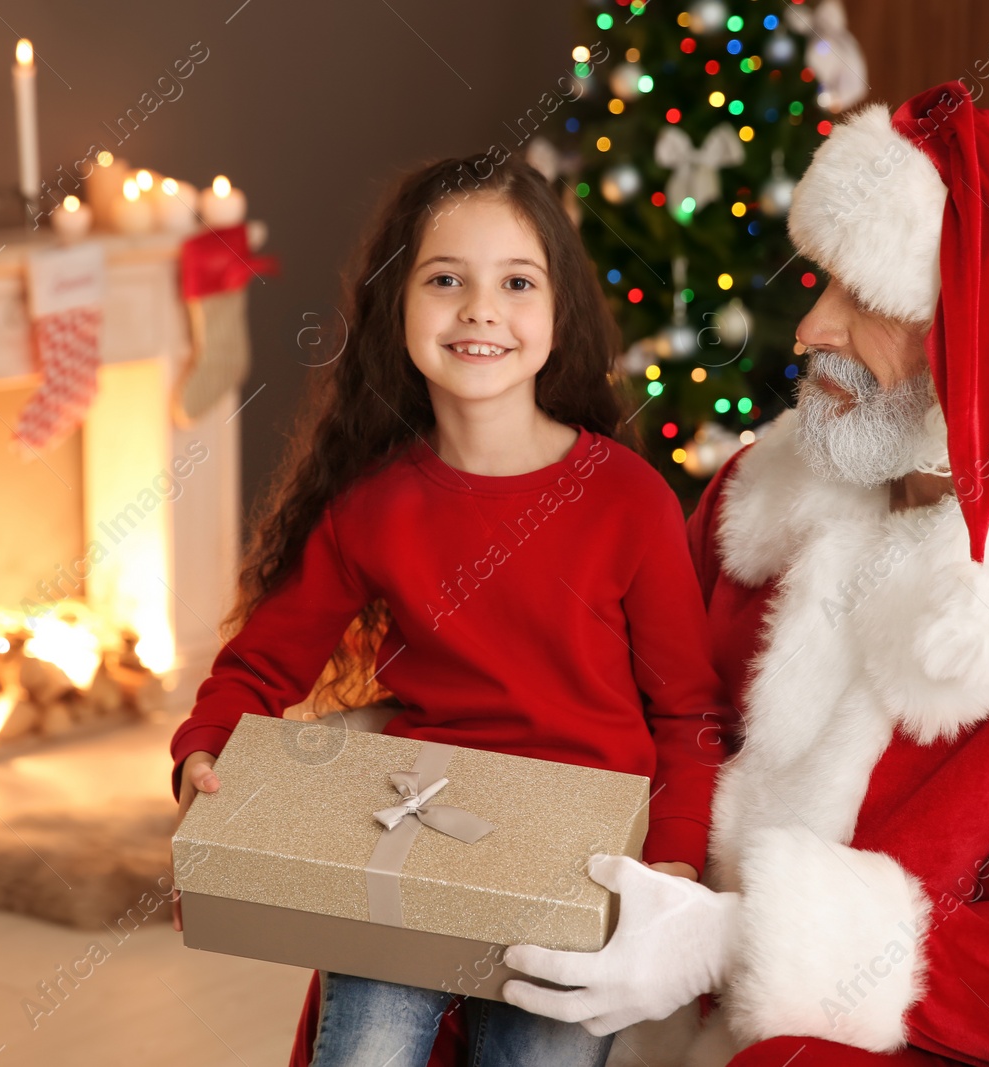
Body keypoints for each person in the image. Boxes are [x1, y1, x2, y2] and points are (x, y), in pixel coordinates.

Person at [501, 80, 989, 1066]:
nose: (809, 327)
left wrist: (741, 937)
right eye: (823, 283)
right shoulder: (757, 490)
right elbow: (630, 705)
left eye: (866, 299)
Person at [167, 154, 730, 1067]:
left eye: (516, 281)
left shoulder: (629, 499)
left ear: (557, 315)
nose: (480, 308)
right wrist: (206, 739)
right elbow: (263, 664)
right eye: (445, 280)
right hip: (417, 837)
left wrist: (669, 865)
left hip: (575, 863)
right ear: (399, 306)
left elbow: (689, 712)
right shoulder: (373, 505)